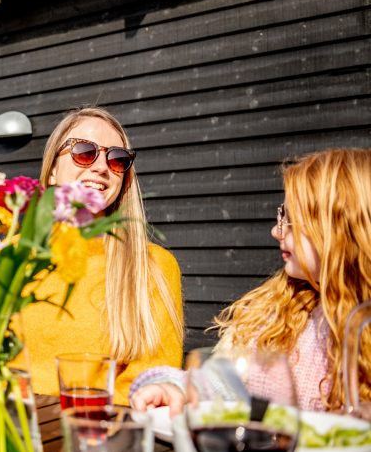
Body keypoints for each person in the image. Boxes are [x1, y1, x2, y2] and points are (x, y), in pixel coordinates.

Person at [131, 148, 371, 414]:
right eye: (283, 215)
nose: (276, 230)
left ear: (342, 228)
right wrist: (176, 388)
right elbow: (223, 384)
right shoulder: (279, 311)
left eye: (292, 220)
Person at [18, 106, 184, 403]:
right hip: (8, 420)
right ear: (52, 170)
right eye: (84, 152)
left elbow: (151, 381)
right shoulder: (15, 254)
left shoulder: (152, 265)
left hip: (99, 422)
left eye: (117, 159)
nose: (101, 167)